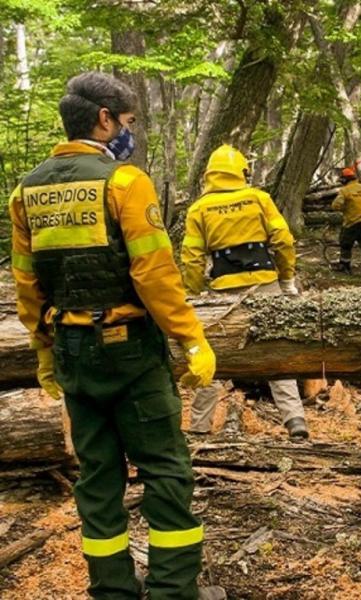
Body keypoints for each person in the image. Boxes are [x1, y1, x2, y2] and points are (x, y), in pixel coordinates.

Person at [9, 72, 224, 599]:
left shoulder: (26, 191)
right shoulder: (124, 182)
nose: (128, 132)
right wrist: (191, 338)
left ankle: (111, 591)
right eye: (127, 122)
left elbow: (26, 283)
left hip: (71, 352)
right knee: (165, 469)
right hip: (129, 349)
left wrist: (43, 350)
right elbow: (154, 272)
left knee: (97, 476)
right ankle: (174, 591)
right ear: (104, 119)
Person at [181, 144, 309, 440]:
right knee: (277, 354)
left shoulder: (199, 209)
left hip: (224, 292)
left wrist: (197, 290)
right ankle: (295, 421)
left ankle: (199, 427)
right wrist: (287, 279)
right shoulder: (259, 199)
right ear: (242, 172)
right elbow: (283, 241)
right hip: (265, 286)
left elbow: (191, 257)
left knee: (214, 358)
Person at [331, 166, 361, 278]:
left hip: (351, 222)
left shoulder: (345, 190)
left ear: (345, 180)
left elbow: (335, 205)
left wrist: (345, 209)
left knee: (346, 245)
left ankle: (345, 266)